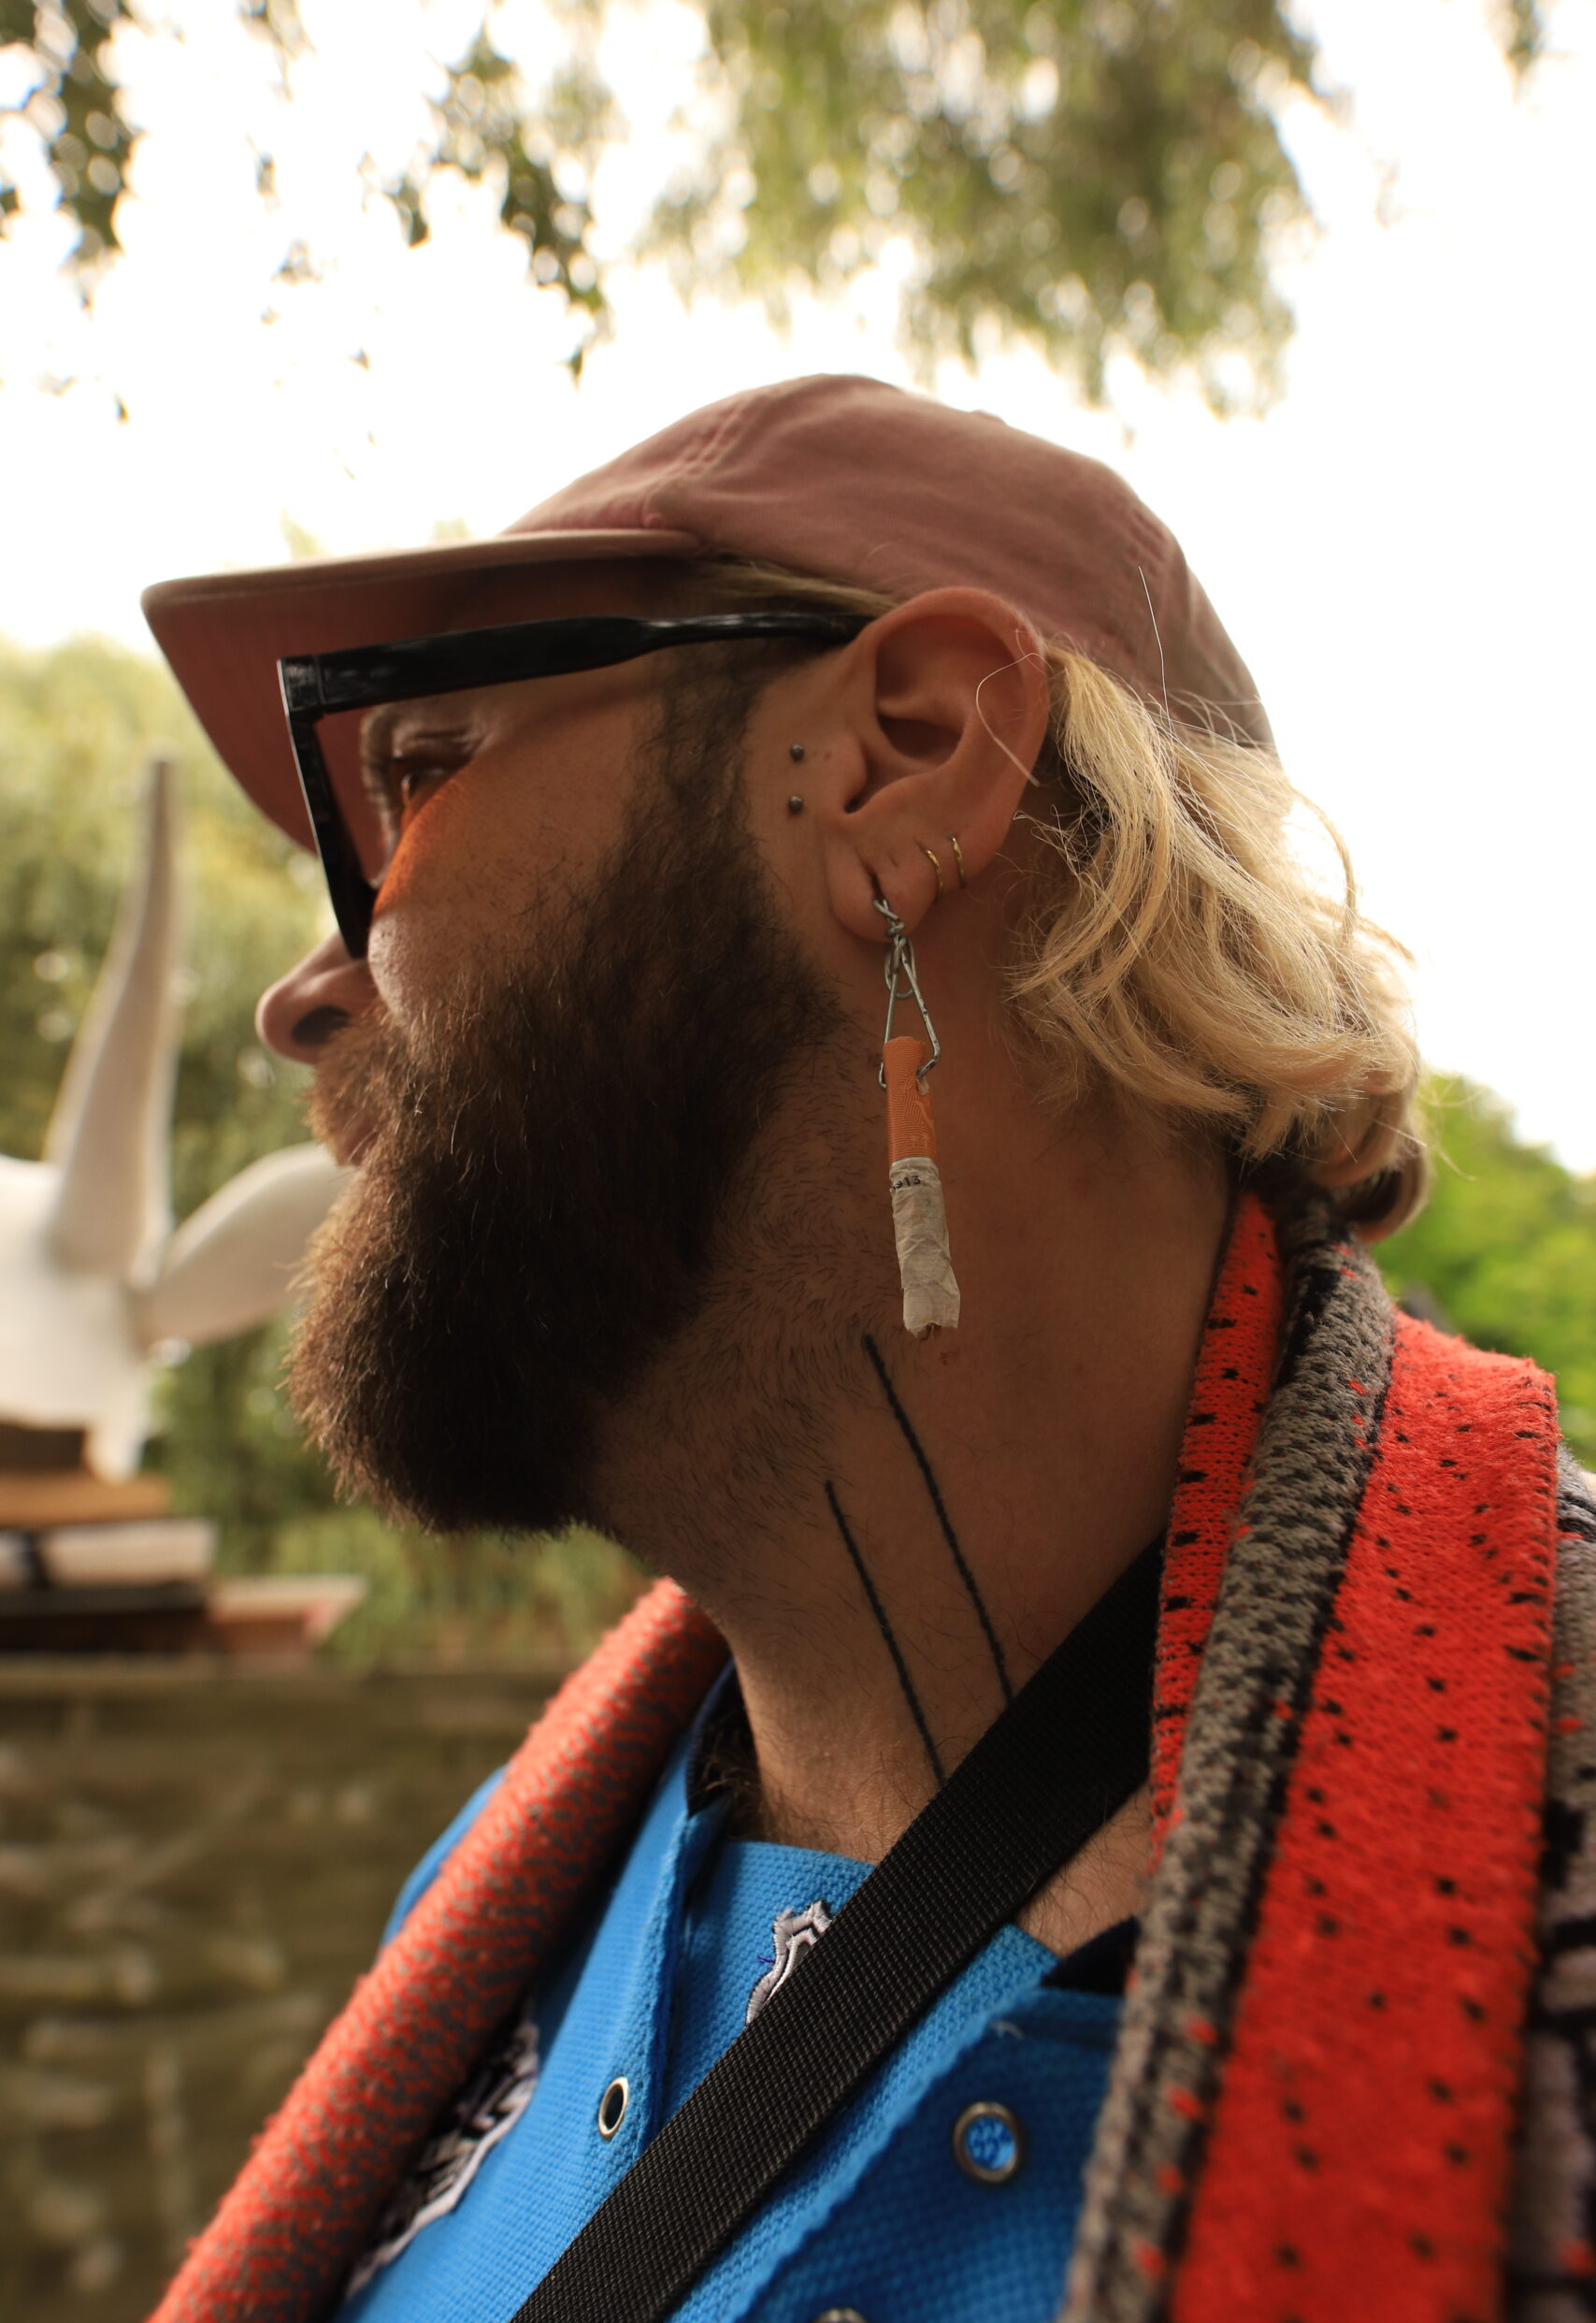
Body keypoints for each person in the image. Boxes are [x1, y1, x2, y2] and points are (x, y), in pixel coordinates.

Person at [140, 377, 1595, 2323]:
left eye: (414, 774)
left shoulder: (1555, 1855)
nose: (301, 994)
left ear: (907, 759)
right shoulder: (496, 1901)